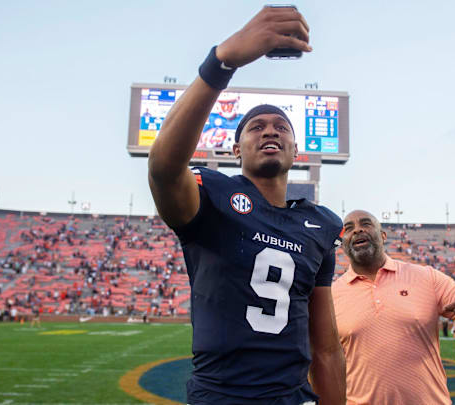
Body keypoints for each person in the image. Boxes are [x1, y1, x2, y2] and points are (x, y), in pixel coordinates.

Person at [147, 6, 345, 405]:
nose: (270, 130)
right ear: (236, 149)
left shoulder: (321, 225)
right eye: (256, 126)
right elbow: (165, 169)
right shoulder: (214, 194)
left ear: (295, 149)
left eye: (281, 127)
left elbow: (325, 348)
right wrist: (222, 62)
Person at [332, 210, 455, 405]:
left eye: (366, 223)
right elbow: (323, 362)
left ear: (383, 236)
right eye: (349, 228)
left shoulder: (426, 277)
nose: (357, 230)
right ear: (343, 243)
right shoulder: (331, 295)